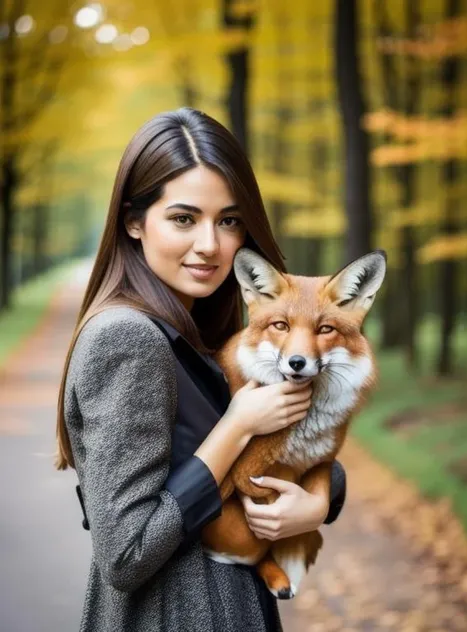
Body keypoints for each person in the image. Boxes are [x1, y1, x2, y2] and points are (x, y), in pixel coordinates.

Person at [56, 107, 346, 632]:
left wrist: (321, 499)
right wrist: (236, 425)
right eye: (184, 218)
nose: (211, 245)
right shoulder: (127, 337)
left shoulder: (198, 330)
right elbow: (125, 552)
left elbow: (265, 460)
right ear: (134, 221)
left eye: (229, 220)